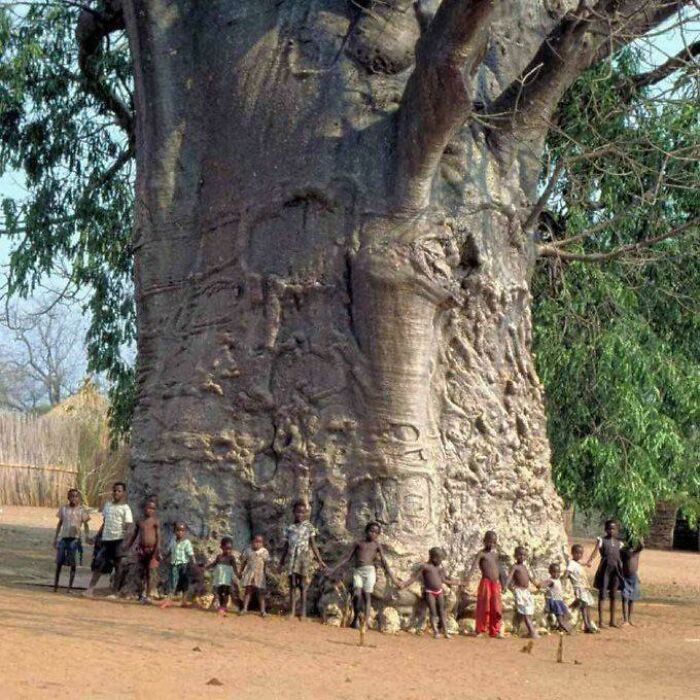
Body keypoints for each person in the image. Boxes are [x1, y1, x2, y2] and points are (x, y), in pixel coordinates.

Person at [330, 521, 400, 630]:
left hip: (370, 572)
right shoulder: (358, 543)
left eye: (376, 533)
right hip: (358, 572)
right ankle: (357, 617)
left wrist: (393, 578)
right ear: (366, 531)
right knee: (357, 594)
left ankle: (365, 622)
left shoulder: (377, 545)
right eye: (371, 531)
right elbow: (347, 558)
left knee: (367, 596)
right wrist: (333, 568)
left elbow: (383, 561)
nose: (373, 534)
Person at [398, 547, 464, 639]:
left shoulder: (439, 568)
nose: (441, 561)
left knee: (442, 612)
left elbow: (444, 580)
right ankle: (436, 632)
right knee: (433, 612)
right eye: (440, 559)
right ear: (434, 558)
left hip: (439, 592)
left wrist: (458, 582)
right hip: (429, 592)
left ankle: (445, 631)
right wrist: (404, 584)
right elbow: (414, 578)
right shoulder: (425, 567)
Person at [280, 500, 326, 619]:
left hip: (303, 557)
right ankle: (292, 611)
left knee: (303, 585)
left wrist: (320, 560)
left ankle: (303, 613)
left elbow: (313, 544)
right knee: (293, 584)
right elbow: (286, 546)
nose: (300, 515)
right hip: (292, 558)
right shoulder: (289, 528)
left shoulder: (309, 527)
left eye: (303, 512)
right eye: (298, 512)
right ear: (294, 512)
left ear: (306, 514)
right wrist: (281, 562)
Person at [85, 481, 133, 597]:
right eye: (115, 490)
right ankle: (90, 589)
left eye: (119, 491)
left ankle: (115, 592)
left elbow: (128, 525)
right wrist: (97, 536)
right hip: (106, 540)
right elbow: (105, 522)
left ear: (124, 493)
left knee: (118, 566)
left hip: (118, 540)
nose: (116, 493)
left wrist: (126, 541)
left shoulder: (125, 508)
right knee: (99, 564)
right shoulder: (108, 506)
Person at [586, 518, 624, 628]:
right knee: (602, 594)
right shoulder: (602, 540)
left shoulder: (619, 543)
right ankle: (601, 621)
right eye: (609, 528)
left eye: (614, 529)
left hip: (616, 570)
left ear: (617, 530)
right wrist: (589, 561)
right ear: (605, 529)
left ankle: (612, 621)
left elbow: (622, 557)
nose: (611, 531)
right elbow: (595, 551)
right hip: (605, 569)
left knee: (613, 595)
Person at [465, 531, 503, 638]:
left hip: (495, 584)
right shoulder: (481, 554)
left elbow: (498, 569)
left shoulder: (495, 555)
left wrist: (503, 584)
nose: (491, 544)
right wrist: (467, 580)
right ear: (484, 541)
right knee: (484, 606)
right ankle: (480, 630)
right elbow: (473, 566)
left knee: (496, 607)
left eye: (493, 542)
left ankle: (495, 630)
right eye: (489, 541)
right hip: (485, 582)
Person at [53, 488, 90, 593]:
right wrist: (55, 538)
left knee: (73, 564)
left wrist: (87, 536)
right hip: (64, 539)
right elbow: (60, 523)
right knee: (59, 563)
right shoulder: (64, 509)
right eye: (72, 496)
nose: (74, 498)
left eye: (76, 496)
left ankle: (69, 588)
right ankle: (55, 586)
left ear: (79, 498)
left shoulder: (82, 510)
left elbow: (86, 524)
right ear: (68, 498)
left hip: (75, 539)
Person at [124, 497, 161, 603]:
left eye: (153, 509)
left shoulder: (155, 522)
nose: (150, 510)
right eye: (148, 508)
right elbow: (135, 535)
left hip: (152, 550)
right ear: (144, 508)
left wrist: (157, 551)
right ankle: (141, 594)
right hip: (142, 550)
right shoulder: (140, 521)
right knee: (140, 572)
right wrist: (128, 545)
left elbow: (158, 537)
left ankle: (148, 595)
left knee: (150, 573)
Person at [505, 546, 538, 639]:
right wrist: (505, 586)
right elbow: (509, 577)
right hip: (519, 591)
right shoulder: (515, 567)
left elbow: (530, 578)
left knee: (529, 610)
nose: (522, 557)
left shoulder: (524, 567)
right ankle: (532, 632)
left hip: (526, 591)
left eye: (524, 555)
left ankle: (527, 630)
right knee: (525, 611)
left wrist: (537, 585)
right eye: (519, 555)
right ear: (515, 556)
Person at [565, 544, 597, 633]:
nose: (579, 555)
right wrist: (564, 579)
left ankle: (589, 624)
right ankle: (587, 625)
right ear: (572, 553)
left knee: (587, 606)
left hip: (584, 588)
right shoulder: (571, 563)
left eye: (581, 553)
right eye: (577, 553)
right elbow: (567, 573)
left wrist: (587, 563)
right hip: (578, 588)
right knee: (583, 606)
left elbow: (582, 564)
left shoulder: (577, 563)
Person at [164, 522, 196, 602]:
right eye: (178, 530)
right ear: (174, 531)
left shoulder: (187, 542)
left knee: (184, 582)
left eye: (182, 530)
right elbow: (169, 551)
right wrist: (163, 557)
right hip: (174, 564)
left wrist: (194, 564)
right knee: (173, 581)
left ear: (185, 532)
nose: (180, 532)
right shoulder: (172, 541)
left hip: (184, 565)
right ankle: (169, 598)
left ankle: (184, 600)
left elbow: (191, 554)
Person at [208, 536, 239, 616]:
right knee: (219, 592)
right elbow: (214, 564)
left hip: (227, 579)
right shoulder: (219, 557)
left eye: (230, 549)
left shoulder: (231, 558)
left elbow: (235, 568)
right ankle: (221, 606)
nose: (228, 551)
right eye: (226, 548)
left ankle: (223, 607)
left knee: (226, 593)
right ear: (221, 547)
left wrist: (238, 575)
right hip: (219, 579)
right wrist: (207, 567)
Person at [240, 534, 269, 617]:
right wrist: (240, 571)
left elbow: (266, 564)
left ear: (263, 543)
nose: (257, 544)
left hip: (260, 575)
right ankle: (244, 609)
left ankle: (263, 611)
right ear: (252, 541)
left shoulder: (264, 552)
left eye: (260, 542)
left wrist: (265, 574)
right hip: (249, 573)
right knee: (248, 591)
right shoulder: (248, 551)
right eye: (255, 541)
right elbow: (244, 562)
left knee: (260, 593)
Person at [541, 562, 573, 634]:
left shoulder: (558, 580)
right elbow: (544, 585)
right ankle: (563, 625)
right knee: (559, 614)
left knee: (565, 613)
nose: (556, 574)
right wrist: (540, 585)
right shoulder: (551, 581)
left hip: (559, 600)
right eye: (554, 572)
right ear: (550, 572)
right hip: (554, 601)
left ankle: (560, 626)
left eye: (558, 572)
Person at [621, 538, 644, 626]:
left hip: (634, 577)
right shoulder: (624, 551)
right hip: (625, 577)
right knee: (625, 598)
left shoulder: (636, 551)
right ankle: (625, 620)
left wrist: (638, 536)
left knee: (632, 599)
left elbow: (642, 545)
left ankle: (630, 619)